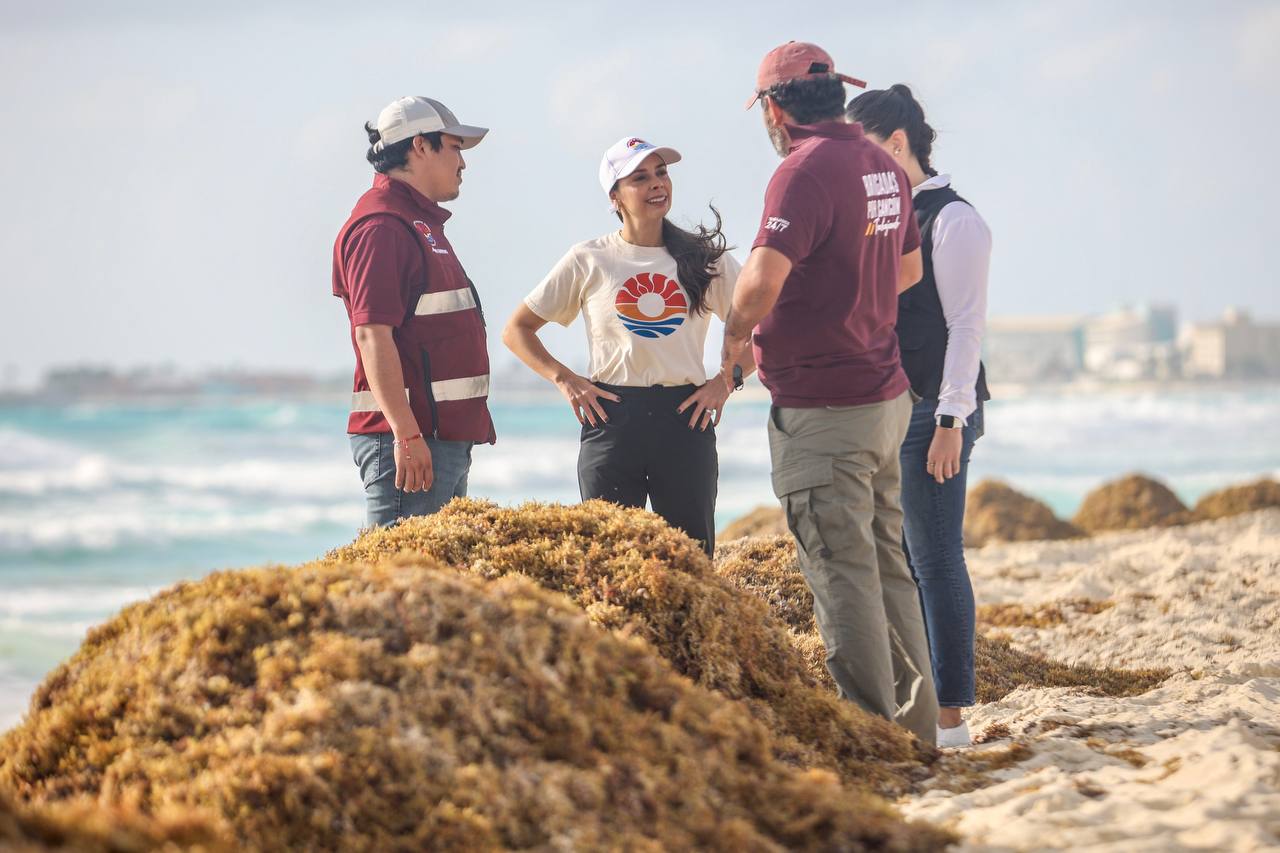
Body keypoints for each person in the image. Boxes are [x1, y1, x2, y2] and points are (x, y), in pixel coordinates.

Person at [720, 42, 938, 745]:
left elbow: (759, 281)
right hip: (884, 394)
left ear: (773, 111)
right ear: (838, 93)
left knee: (841, 572)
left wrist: (734, 338)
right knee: (886, 564)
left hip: (825, 404)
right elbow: (907, 271)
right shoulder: (880, 162)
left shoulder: (801, 170)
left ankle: (875, 734)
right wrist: (852, 296)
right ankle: (917, 727)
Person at [503, 137, 752, 556]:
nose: (657, 183)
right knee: (607, 559)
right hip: (611, 419)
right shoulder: (589, 258)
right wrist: (565, 380)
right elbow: (517, 330)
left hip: (684, 419)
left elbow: (767, 329)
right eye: (640, 178)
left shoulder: (705, 260)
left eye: (661, 173)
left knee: (690, 559)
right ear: (614, 197)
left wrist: (726, 382)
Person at [847, 85, 992, 749]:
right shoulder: (881, 218)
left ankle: (951, 718)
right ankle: (918, 704)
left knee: (935, 560)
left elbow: (966, 327)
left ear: (897, 143)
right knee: (900, 563)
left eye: (865, 151)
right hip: (888, 408)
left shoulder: (954, 219)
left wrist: (951, 420)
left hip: (936, 410)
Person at [332, 96, 495, 528]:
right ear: (420, 146)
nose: (463, 162)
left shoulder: (415, 222)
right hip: (410, 439)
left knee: (437, 567)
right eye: (455, 147)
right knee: (399, 569)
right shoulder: (382, 227)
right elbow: (372, 334)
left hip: (437, 439)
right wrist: (405, 433)